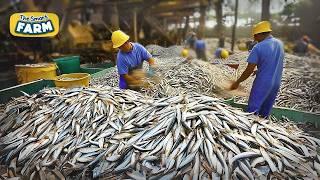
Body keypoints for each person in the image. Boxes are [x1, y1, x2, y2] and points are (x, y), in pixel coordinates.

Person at [230, 21, 284, 118]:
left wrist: (237, 82)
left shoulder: (258, 47)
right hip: (276, 83)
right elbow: (274, 62)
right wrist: (260, 70)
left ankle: (250, 132)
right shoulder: (279, 44)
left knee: (252, 111)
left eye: (255, 35)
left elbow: (248, 70)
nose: (254, 38)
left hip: (263, 83)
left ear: (261, 34)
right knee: (265, 112)